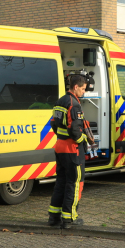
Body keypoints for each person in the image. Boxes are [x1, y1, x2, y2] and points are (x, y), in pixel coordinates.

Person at [47, 74, 91, 229]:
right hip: (72, 149)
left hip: (59, 146)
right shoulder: (74, 104)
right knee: (75, 183)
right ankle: (69, 218)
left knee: (61, 182)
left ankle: (54, 217)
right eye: (83, 89)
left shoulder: (60, 101)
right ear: (76, 87)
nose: (84, 92)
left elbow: (53, 123)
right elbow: (75, 130)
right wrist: (83, 141)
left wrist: (62, 136)